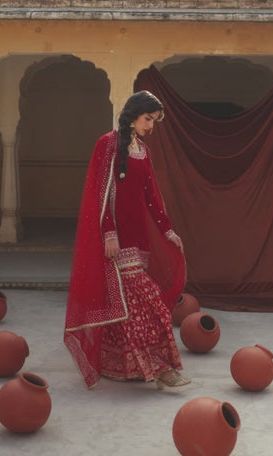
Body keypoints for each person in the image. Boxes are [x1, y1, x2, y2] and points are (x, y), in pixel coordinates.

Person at [64, 90, 190, 390]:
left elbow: (151, 196)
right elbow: (100, 193)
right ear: (134, 115)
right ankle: (159, 369)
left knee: (123, 305)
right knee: (146, 303)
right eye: (149, 119)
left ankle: (119, 365)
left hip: (138, 239)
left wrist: (168, 230)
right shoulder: (107, 144)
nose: (151, 125)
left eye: (154, 121)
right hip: (115, 241)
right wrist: (109, 233)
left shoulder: (143, 151)